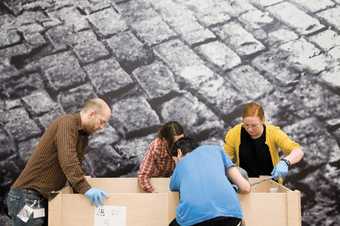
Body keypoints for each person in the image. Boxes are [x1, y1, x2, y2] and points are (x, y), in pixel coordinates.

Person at [6, 98, 112, 226]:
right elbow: (68, 160)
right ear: (92, 114)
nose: (102, 127)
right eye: (102, 122)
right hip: (27, 196)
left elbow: (76, 165)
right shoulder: (67, 123)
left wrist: (79, 191)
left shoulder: (83, 136)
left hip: (40, 198)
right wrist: (85, 189)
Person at [169, 137, 250, 226]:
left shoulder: (180, 166)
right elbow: (245, 188)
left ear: (179, 153)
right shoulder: (217, 150)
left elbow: (174, 188)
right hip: (231, 217)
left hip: (195, 220)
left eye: (174, 161)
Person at [224, 102, 304, 180]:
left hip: (271, 183)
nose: (249, 129)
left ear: (262, 120)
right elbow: (225, 160)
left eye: (254, 125)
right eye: (246, 125)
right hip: (244, 183)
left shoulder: (273, 132)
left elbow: (298, 151)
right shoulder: (234, 133)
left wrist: (285, 162)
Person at [138, 121, 184, 192]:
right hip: (156, 183)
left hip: (174, 186)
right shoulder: (156, 147)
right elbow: (143, 175)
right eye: (175, 142)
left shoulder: (185, 146)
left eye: (181, 140)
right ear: (165, 140)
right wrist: (155, 194)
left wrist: (180, 163)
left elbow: (188, 177)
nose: (179, 145)